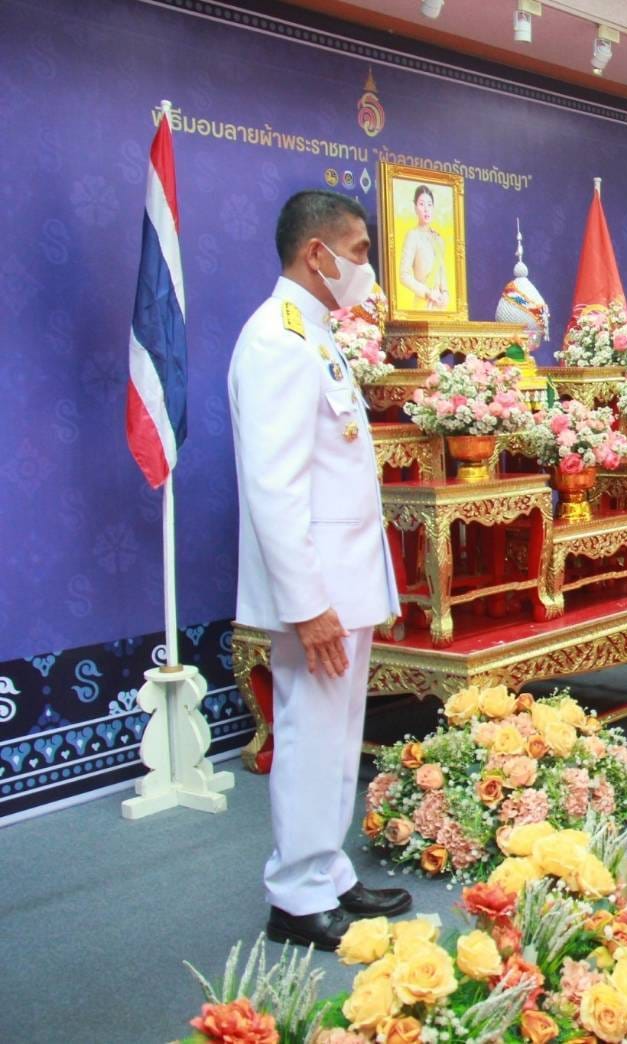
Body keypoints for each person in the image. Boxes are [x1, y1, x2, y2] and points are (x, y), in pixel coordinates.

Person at [230, 190, 409, 950]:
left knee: (338, 734)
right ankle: (297, 897)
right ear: (317, 253)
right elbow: (275, 487)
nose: (366, 268)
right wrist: (306, 604)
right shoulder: (277, 338)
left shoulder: (315, 333)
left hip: (342, 581)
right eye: (359, 252)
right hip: (316, 591)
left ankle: (327, 871)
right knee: (309, 733)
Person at [398, 184, 448, 309]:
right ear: (415, 208)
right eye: (421, 204)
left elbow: (442, 272)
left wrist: (445, 293)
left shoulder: (439, 239)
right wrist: (427, 293)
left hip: (439, 305)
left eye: (429, 204)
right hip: (422, 304)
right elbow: (403, 275)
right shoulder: (412, 236)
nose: (426, 209)